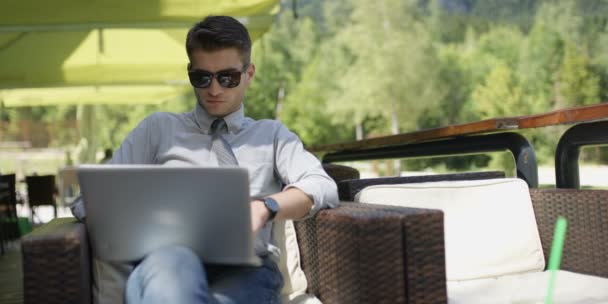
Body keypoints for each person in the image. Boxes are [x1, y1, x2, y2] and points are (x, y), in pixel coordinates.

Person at [69, 15, 338, 304]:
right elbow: (89, 200)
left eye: (227, 77)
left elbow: (322, 186)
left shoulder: (272, 135)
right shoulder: (157, 129)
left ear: (249, 74)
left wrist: (265, 207)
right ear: (190, 73)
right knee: (172, 275)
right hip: (165, 263)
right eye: (202, 77)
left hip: (247, 270)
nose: (214, 89)